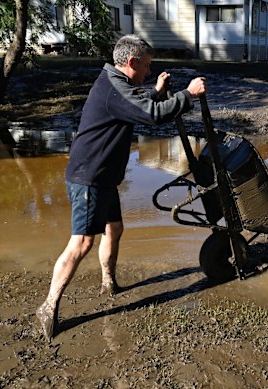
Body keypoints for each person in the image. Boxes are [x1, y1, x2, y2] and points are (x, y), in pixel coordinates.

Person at [36, 35, 206, 342]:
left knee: (113, 228)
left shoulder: (114, 82)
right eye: (147, 65)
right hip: (89, 176)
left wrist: (155, 92)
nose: (148, 71)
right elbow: (151, 116)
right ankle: (48, 306)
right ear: (132, 63)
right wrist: (188, 95)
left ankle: (108, 282)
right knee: (82, 243)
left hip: (102, 176)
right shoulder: (113, 88)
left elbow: (138, 107)